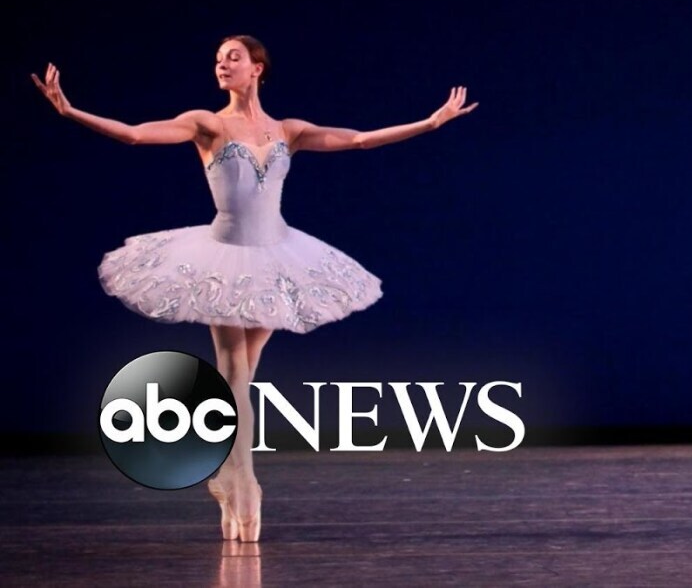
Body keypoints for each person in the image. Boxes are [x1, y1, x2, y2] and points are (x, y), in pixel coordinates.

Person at [31, 34, 478, 543]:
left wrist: (430, 122)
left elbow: (358, 140)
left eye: (233, 58)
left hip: (275, 257)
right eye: (218, 60)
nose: (222, 65)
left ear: (257, 68)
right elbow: (135, 135)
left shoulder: (289, 130)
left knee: (242, 376)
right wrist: (70, 111)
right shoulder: (207, 123)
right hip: (223, 260)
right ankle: (244, 485)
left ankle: (230, 478)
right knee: (234, 371)